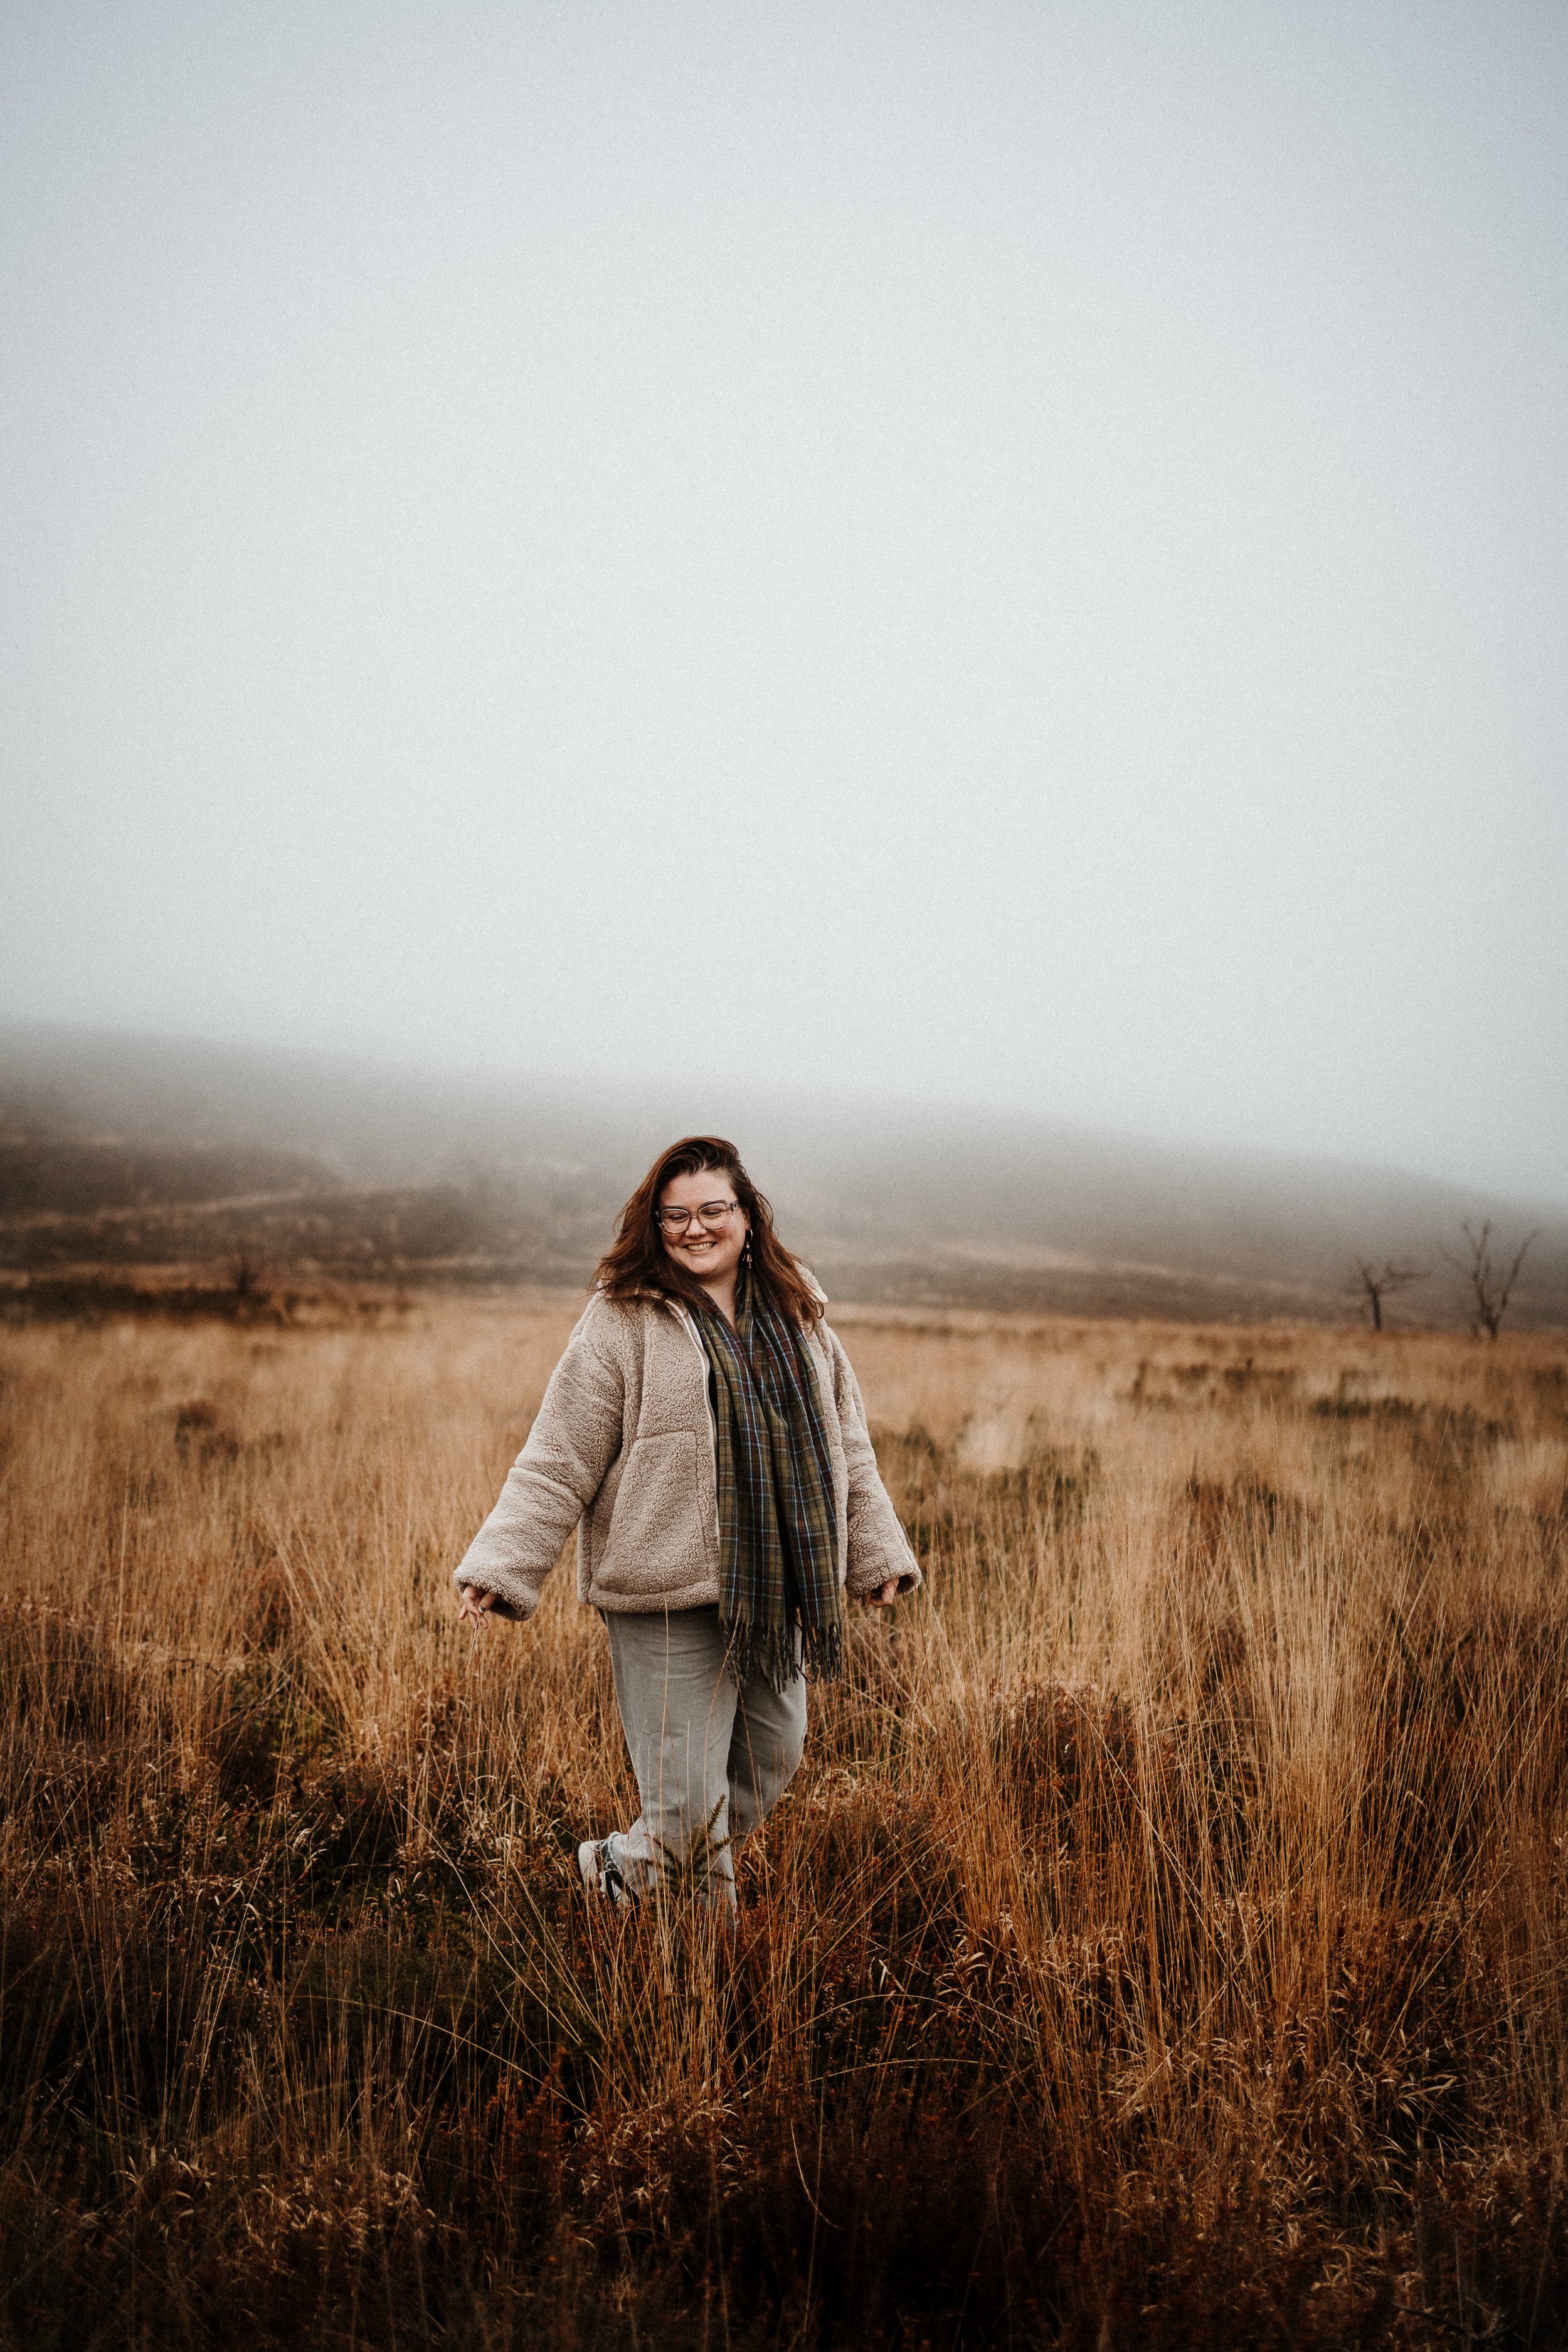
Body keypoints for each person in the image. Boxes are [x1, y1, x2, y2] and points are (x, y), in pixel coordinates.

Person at [453, 1134, 921, 1906]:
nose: (695, 1229)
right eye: (675, 1216)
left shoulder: (798, 1311)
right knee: (689, 1808)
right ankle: (711, 1968)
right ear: (654, 1224)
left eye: (713, 1210)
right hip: (662, 1592)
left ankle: (625, 1867)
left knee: (771, 1758)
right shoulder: (621, 1318)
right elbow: (559, 1454)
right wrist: (502, 1565)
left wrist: (875, 1551)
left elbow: (845, 1443)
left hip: (773, 1588)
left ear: (747, 1216)